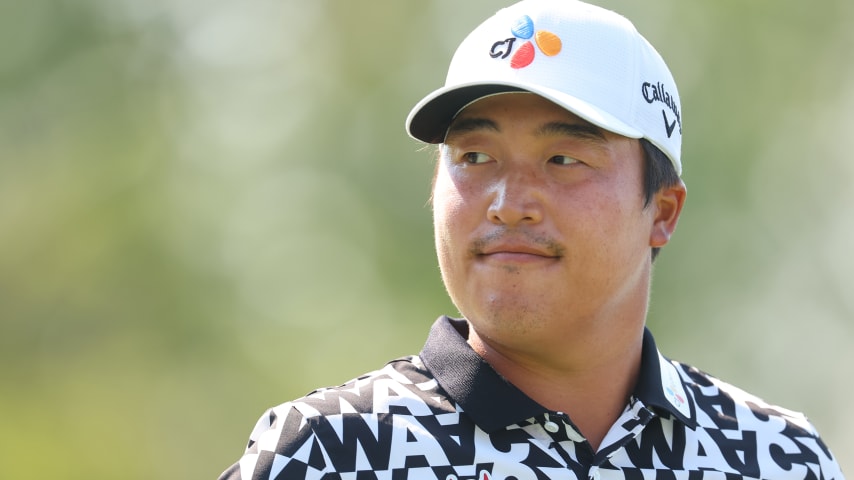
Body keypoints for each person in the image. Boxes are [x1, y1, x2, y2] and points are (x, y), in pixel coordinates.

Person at [218, 1, 844, 478]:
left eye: (564, 160)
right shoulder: (330, 452)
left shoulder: (779, 459)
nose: (508, 204)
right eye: (475, 156)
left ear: (663, 212)